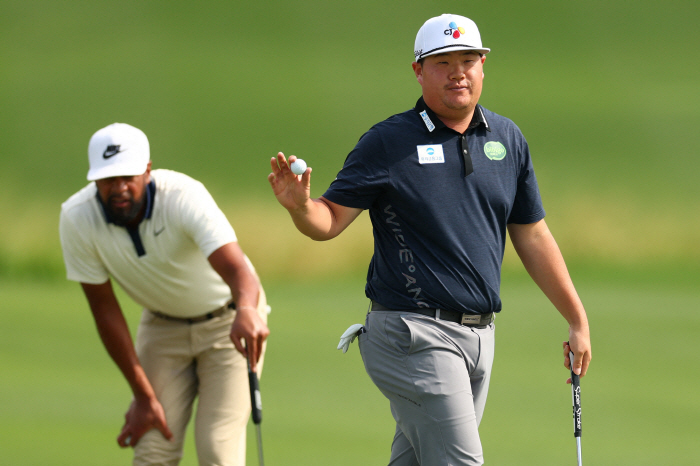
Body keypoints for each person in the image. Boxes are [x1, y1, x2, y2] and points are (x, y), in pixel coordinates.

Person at [268, 13, 591, 466]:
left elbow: (532, 233)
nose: (458, 72)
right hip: (411, 333)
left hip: (480, 337)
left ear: (482, 67)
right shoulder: (388, 142)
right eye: (443, 62)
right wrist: (300, 207)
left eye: (468, 59)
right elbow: (329, 221)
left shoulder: (506, 138)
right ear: (419, 70)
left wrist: (576, 318)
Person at [59, 122, 270, 466]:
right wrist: (143, 396)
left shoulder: (183, 196)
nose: (119, 188)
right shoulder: (76, 218)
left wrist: (248, 309)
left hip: (230, 323)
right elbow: (105, 311)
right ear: (94, 180)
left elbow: (238, 271)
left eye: (128, 176)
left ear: (147, 170)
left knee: (217, 447)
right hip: (161, 327)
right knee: (153, 449)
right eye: (108, 179)